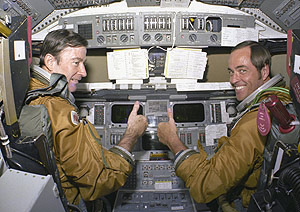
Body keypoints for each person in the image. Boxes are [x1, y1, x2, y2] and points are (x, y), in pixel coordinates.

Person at [157, 41, 292, 211]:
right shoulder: (283, 99)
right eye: (231, 72)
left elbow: (205, 185)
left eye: (242, 70)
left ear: (264, 71)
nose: (233, 80)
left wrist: (172, 141)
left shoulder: (255, 121)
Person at [27, 29, 148, 208]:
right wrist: (131, 135)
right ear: (51, 62)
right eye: (76, 63)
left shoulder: (31, 93)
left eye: (83, 63)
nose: (83, 72)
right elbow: (99, 180)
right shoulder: (57, 108)